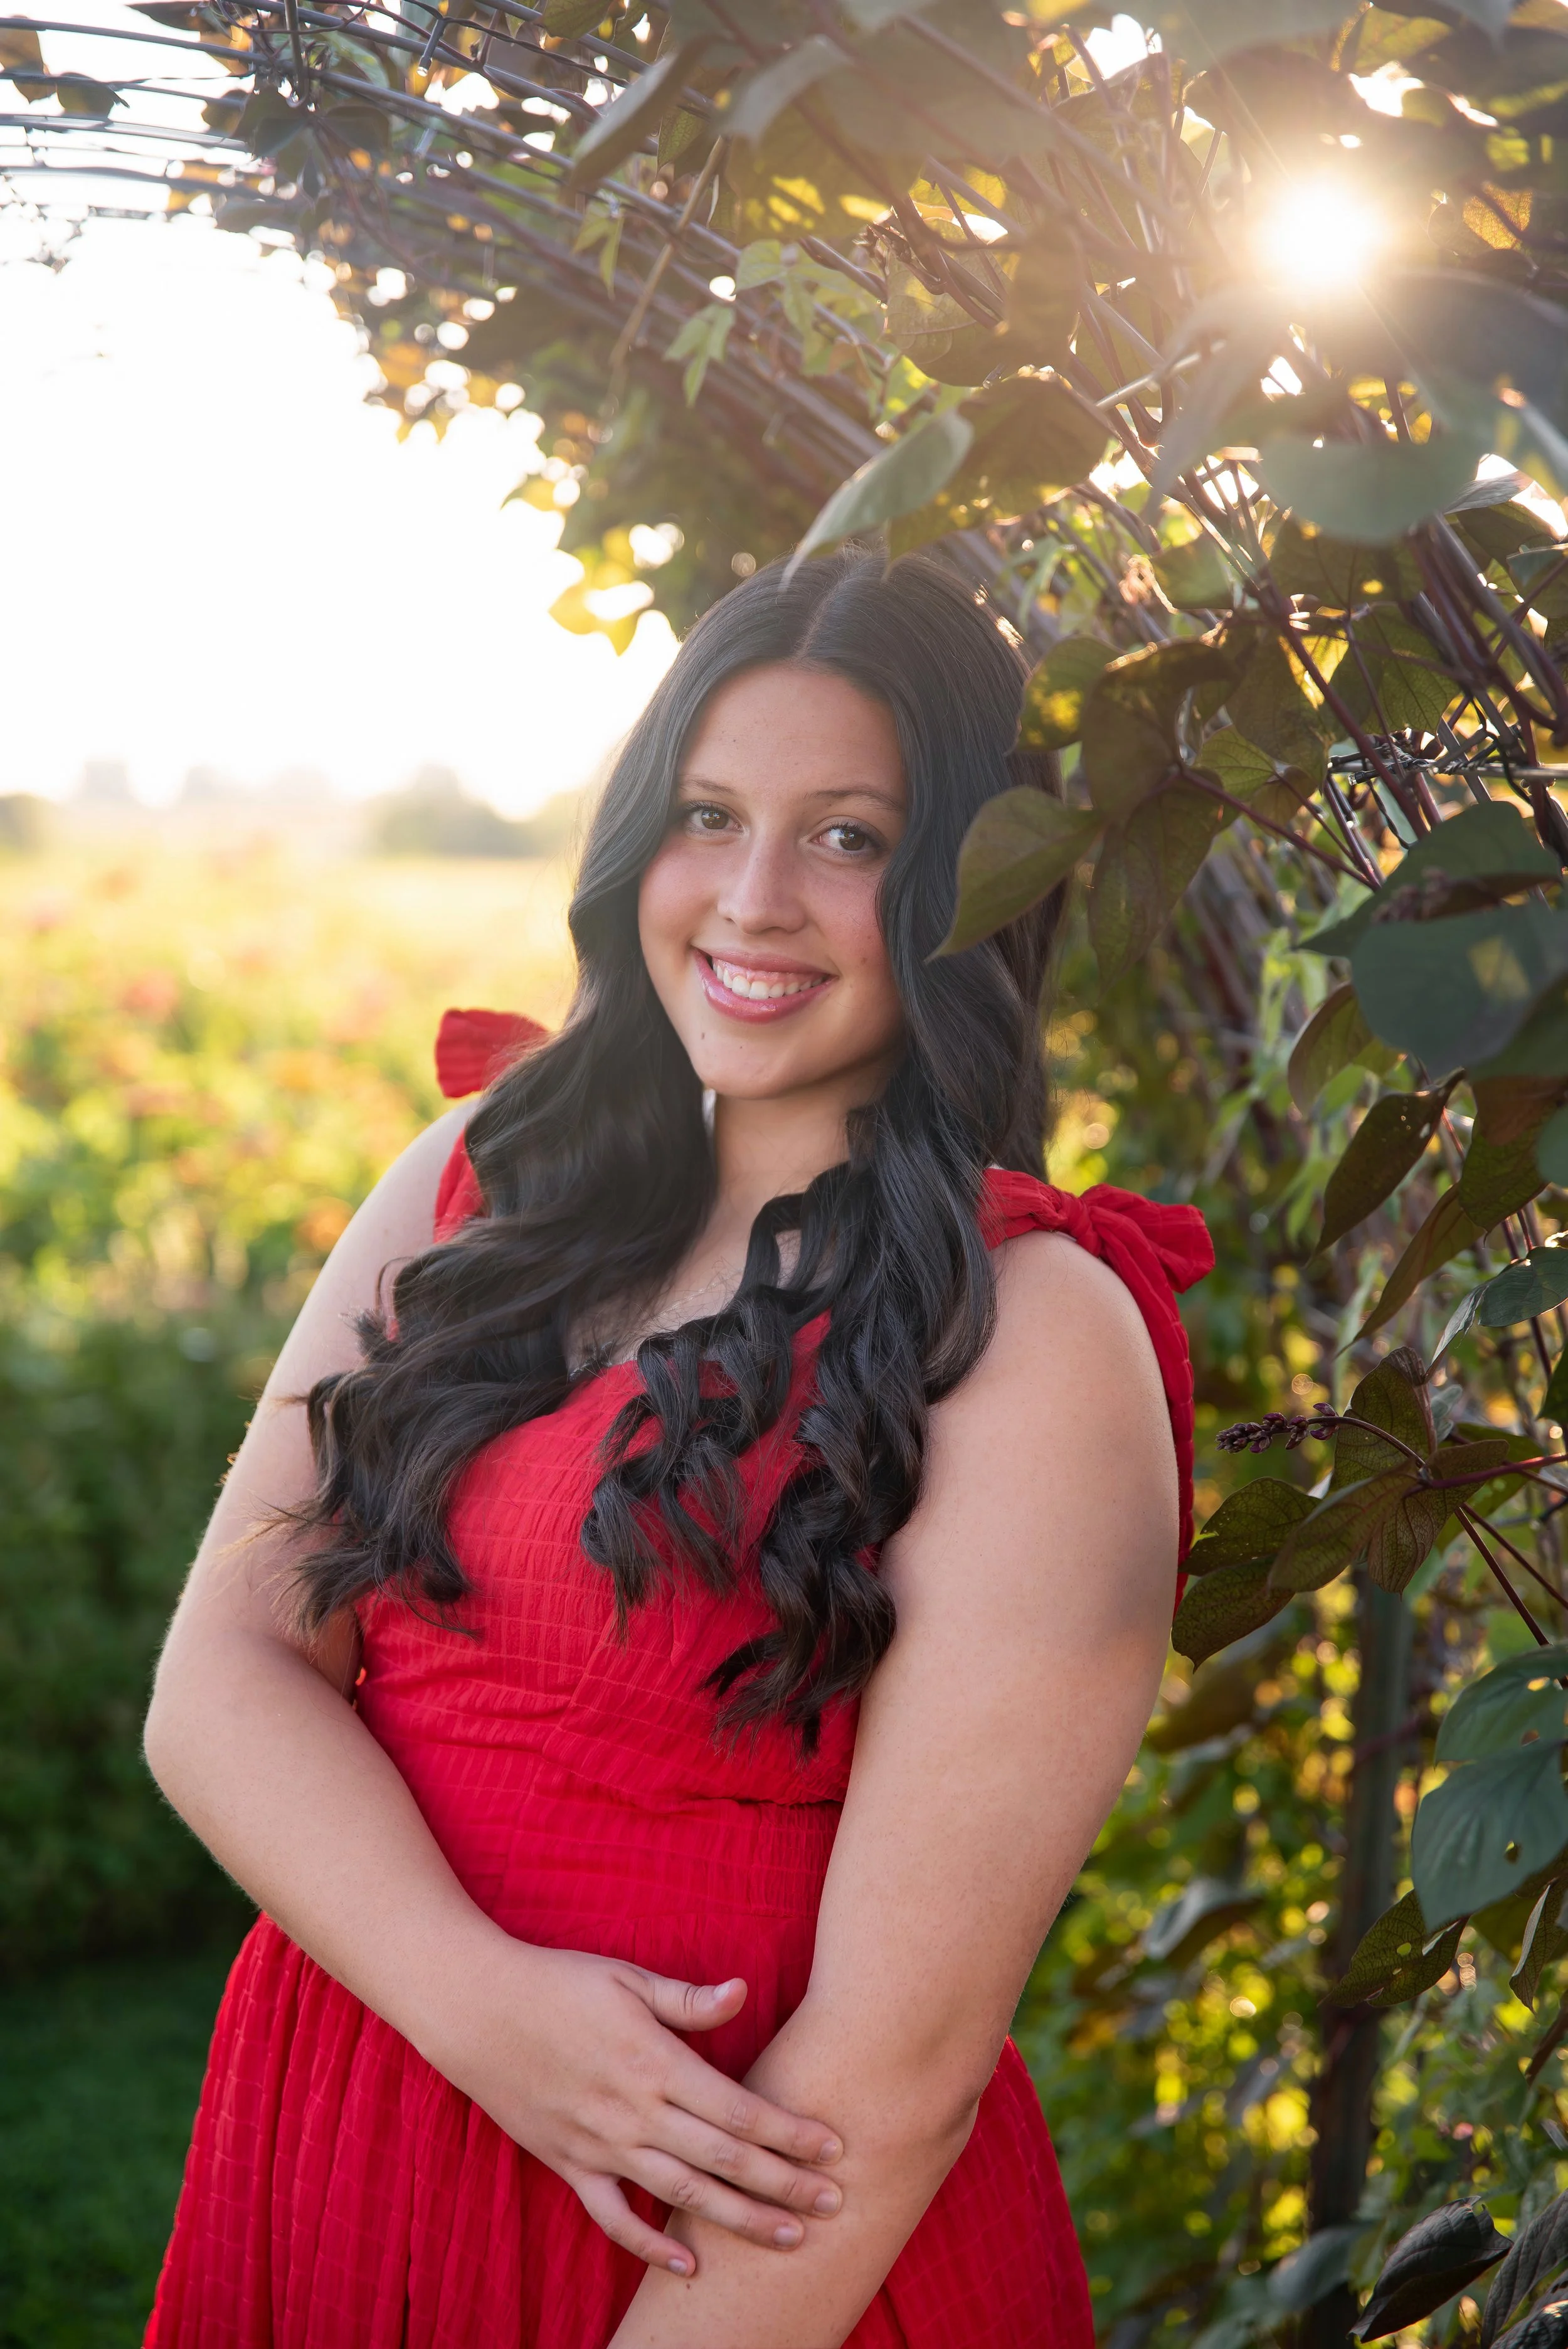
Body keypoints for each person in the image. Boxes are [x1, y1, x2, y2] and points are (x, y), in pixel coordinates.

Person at [142, 548, 1211, 2349]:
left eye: (850, 839)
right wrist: (484, 2014)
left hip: (745, 2264)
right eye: (708, 815)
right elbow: (224, 1680)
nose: (754, 896)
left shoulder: (1032, 1334)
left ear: (961, 885)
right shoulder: (484, 1181)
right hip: (354, 2122)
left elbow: (898, 2081)